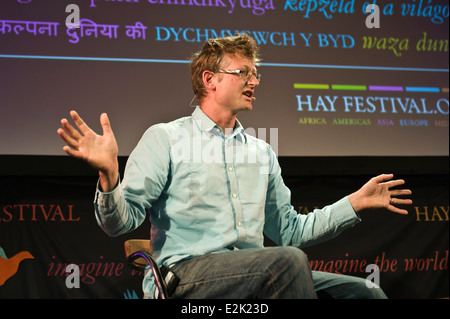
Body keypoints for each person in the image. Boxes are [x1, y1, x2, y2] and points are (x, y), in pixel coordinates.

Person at [57, 33, 412, 299]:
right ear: (210, 80)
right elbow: (119, 223)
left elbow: (290, 230)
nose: (254, 82)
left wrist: (354, 203)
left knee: (366, 293)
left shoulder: (260, 152)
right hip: (186, 276)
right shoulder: (166, 138)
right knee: (286, 262)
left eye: (256, 74)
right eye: (243, 73)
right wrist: (109, 176)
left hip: (259, 272)